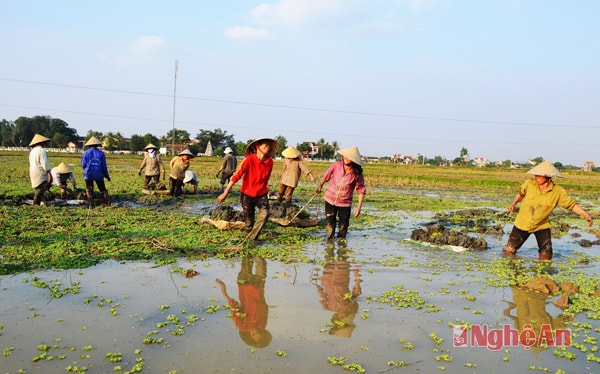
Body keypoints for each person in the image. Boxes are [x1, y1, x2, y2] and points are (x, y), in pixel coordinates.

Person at [503, 160, 593, 260]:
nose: (536, 177)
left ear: (549, 176)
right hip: (522, 222)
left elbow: (571, 205)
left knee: (546, 253)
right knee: (509, 250)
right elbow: (521, 194)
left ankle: (543, 272)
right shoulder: (529, 184)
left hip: (541, 225)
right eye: (536, 175)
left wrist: (586, 215)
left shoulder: (557, 191)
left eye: (539, 175)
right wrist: (513, 204)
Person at [217, 137, 278, 242]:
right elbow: (236, 176)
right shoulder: (248, 160)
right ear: (257, 146)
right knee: (249, 222)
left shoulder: (270, 162)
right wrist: (225, 193)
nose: (268, 147)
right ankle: (247, 237)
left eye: (269, 145)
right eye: (265, 144)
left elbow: (266, 179)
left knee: (265, 213)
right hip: (247, 194)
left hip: (261, 194)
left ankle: (251, 239)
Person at [215, 256, 271, 348]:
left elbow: (234, 307)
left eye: (258, 338)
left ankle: (249, 245)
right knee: (260, 260)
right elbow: (264, 307)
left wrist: (224, 291)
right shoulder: (262, 325)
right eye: (262, 337)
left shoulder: (242, 326)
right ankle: (254, 244)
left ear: (251, 337)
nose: (260, 336)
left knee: (247, 259)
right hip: (258, 286)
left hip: (244, 285)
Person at [316, 146, 366, 241]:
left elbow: (361, 190)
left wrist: (359, 207)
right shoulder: (336, 165)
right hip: (330, 198)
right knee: (330, 223)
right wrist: (320, 186)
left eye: (348, 157)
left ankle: (341, 247)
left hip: (345, 203)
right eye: (345, 156)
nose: (345, 159)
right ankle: (330, 244)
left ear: (353, 160)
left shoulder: (357, 173)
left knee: (343, 225)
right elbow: (326, 176)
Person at [81, 136, 111, 207]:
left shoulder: (86, 153)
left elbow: (83, 164)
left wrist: (86, 169)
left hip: (88, 174)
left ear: (89, 145)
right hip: (99, 174)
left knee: (89, 189)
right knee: (102, 189)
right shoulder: (101, 154)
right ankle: (107, 203)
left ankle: (91, 204)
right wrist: (106, 176)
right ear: (97, 145)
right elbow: (104, 166)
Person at [28, 133, 52, 206]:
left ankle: (41, 203)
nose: (45, 143)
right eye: (44, 142)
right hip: (40, 173)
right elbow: (45, 164)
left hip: (33, 171)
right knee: (40, 190)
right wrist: (49, 173)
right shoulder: (41, 151)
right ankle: (35, 204)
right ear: (41, 142)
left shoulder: (32, 151)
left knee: (39, 189)